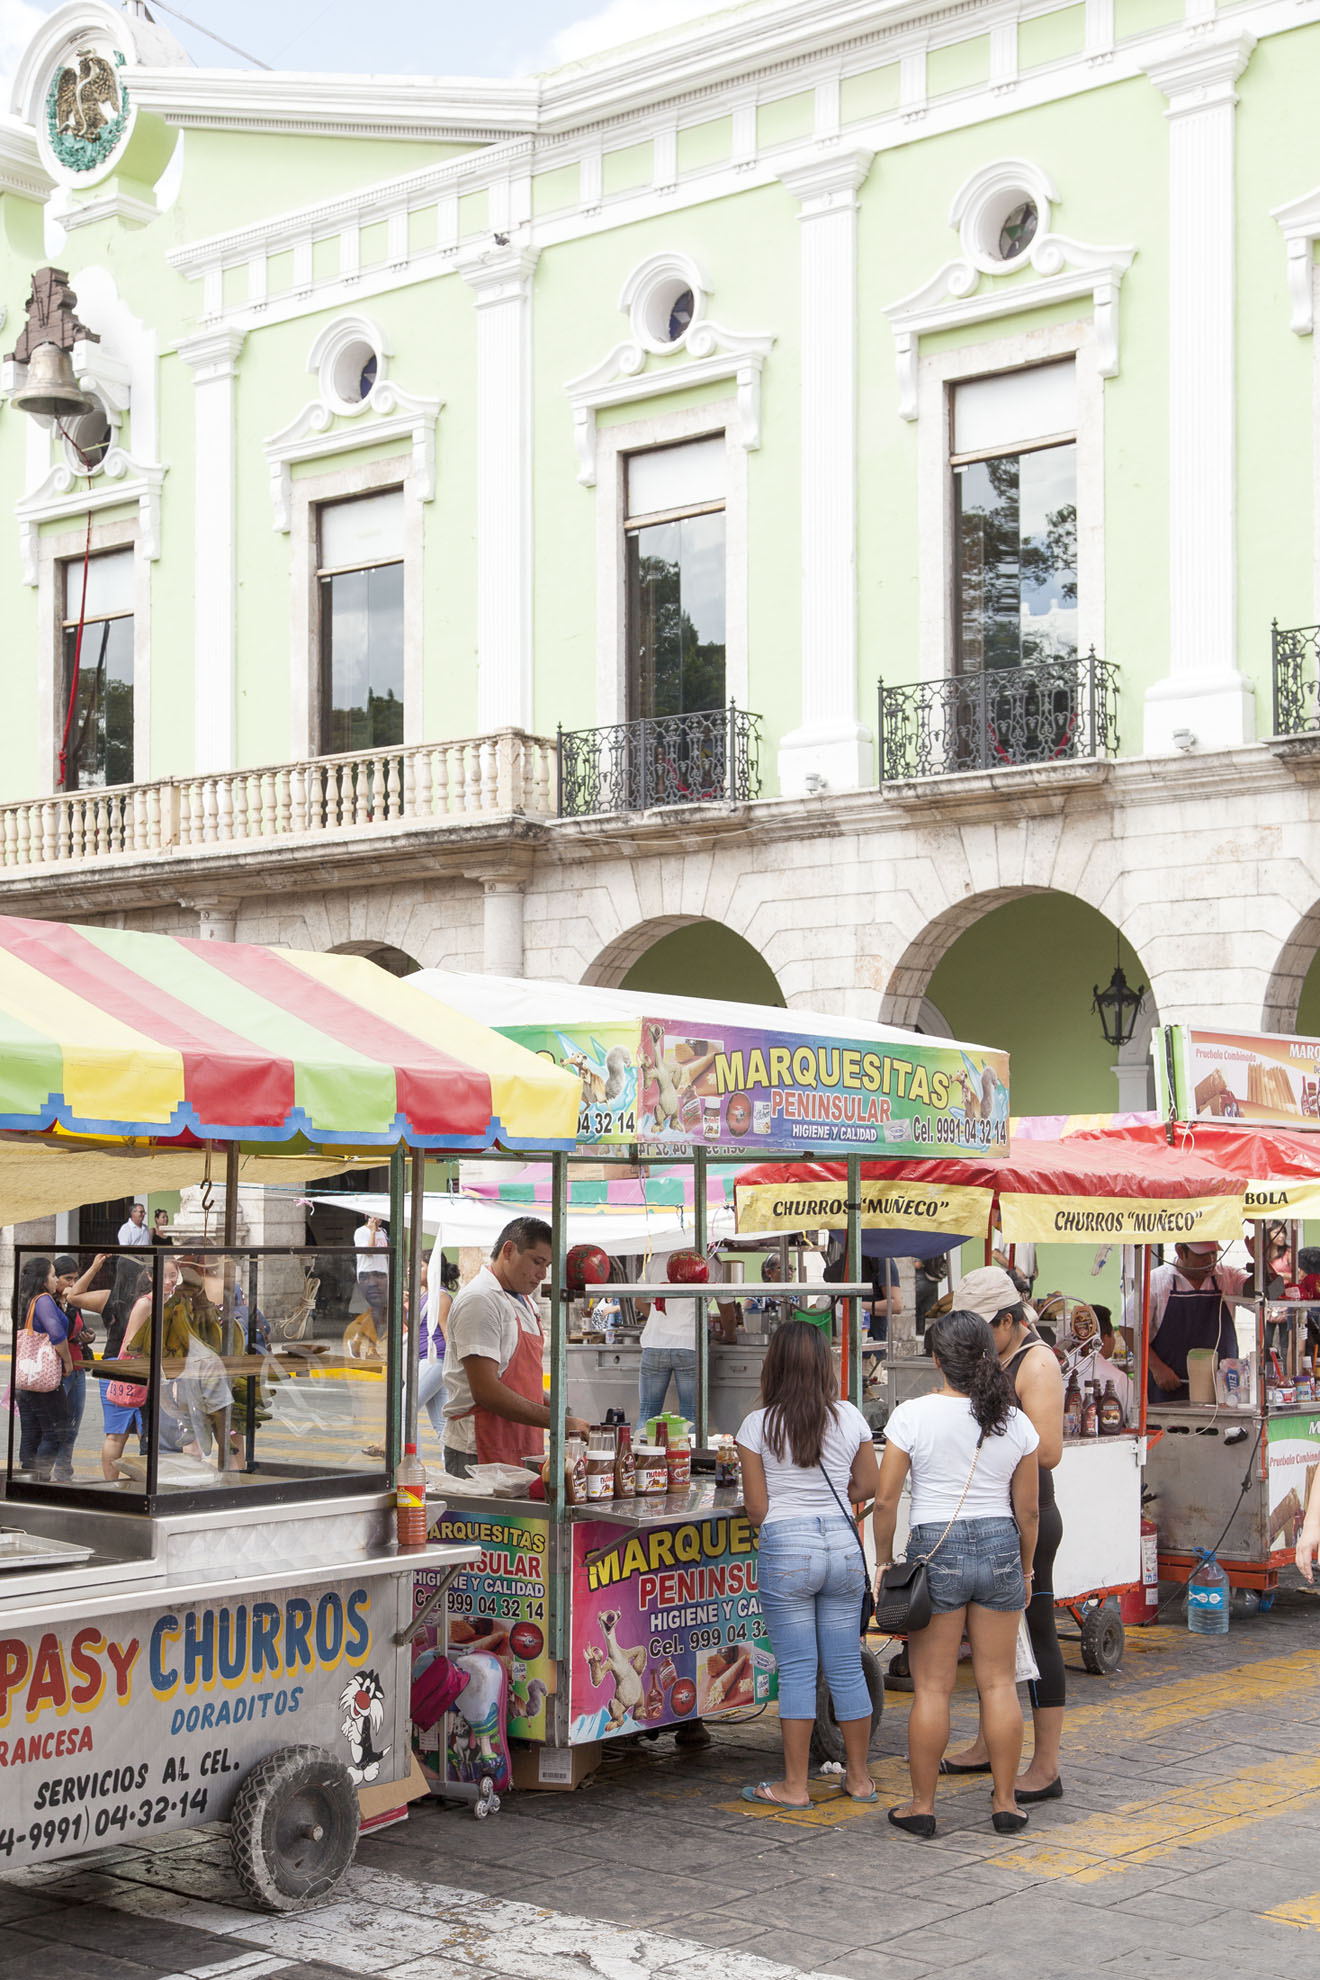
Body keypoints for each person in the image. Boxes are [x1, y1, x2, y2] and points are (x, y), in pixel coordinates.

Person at [873, 1308, 1039, 1838]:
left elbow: (885, 1500)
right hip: (1000, 1548)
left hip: (935, 1548)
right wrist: (1028, 1568)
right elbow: (1028, 1512)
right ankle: (1007, 1803)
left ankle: (922, 1807)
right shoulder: (1015, 1420)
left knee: (933, 1689)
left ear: (937, 1360)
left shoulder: (912, 1415)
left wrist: (883, 1561)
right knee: (997, 1683)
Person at [735, 1321, 880, 1808]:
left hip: (788, 1549)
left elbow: (757, 1508)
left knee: (797, 1670)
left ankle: (795, 1787)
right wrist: (834, 1496)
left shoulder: (757, 1426)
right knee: (844, 1666)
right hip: (842, 1547)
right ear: (825, 1364)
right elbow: (869, 1485)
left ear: (772, 1365)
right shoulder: (850, 1417)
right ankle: (858, 1779)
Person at [941, 1264, 1066, 1802]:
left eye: (983, 1327)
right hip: (991, 1516)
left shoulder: (1036, 1362)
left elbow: (1050, 1451)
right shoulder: (992, 1355)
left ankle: (1046, 1765)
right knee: (991, 1644)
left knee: (1037, 1632)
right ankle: (990, 1742)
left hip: (1029, 1516)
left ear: (1012, 1321)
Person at [442, 1217, 588, 1476]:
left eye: (548, 1265)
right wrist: (559, 1422)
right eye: (537, 1262)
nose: (542, 1274)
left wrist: (551, 1404)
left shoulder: (524, 1302)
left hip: (521, 1444)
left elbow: (516, 1380)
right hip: (479, 1449)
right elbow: (486, 1390)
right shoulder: (481, 1300)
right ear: (508, 1250)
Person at [1147, 1241, 1253, 1403]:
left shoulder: (1228, 1277)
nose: (1210, 1260)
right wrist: (1157, 1368)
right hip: (1171, 1390)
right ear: (1181, 1251)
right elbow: (1131, 1329)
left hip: (1223, 1394)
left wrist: (1260, 1260)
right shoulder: (1156, 1281)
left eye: (1213, 1254)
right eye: (1202, 1255)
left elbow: (1264, 1293)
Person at [52, 1252, 110, 1482]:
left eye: (75, 1279)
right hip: (59, 1371)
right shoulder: (50, 1304)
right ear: (54, 1279)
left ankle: (64, 1471)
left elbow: (79, 1330)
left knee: (72, 1426)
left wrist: (88, 1337)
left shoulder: (72, 1303)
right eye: (68, 1279)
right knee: (57, 1425)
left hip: (77, 1370)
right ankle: (44, 1470)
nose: (72, 1284)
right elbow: (58, 1335)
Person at [14, 1256, 73, 1480]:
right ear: (42, 1280)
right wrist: (67, 1361)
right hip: (44, 1381)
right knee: (57, 1432)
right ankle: (39, 1478)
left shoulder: (25, 1299)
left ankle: (25, 1482)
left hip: (26, 1379)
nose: (56, 1279)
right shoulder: (43, 1300)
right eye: (52, 1275)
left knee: (31, 1432)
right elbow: (57, 1334)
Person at [354, 1214, 389, 1329]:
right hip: (368, 1272)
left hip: (382, 1272)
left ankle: (375, 1335)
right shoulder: (361, 1232)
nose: (379, 1218)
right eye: (376, 1216)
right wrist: (372, 1232)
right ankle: (365, 1334)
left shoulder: (383, 1231)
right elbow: (369, 1252)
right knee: (371, 1306)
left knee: (381, 1306)